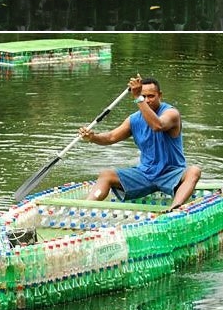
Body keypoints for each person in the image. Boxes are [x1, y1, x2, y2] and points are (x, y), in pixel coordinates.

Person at [79, 74, 201, 210]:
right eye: (144, 96)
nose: (147, 100)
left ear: (160, 95)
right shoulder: (134, 119)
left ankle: (174, 209)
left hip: (171, 173)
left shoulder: (172, 113)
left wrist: (138, 98)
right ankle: (86, 208)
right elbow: (111, 137)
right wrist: (92, 137)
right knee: (106, 175)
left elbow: (158, 125)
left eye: (151, 96)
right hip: (145, 174)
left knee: (194, 171)